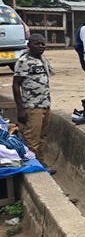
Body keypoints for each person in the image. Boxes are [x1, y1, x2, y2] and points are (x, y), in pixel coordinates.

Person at [11, 34, 56, 174]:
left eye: (43, 44)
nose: (41, 46)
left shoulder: (42, 60)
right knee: (32, 140)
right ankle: (32, 169)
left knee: (41, 139)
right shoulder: (23, 61)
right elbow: (15, 85)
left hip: (45, 105)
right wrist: (20, 109)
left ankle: (41, 166)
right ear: (29, 45)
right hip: (32, 107)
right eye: (37, 44)